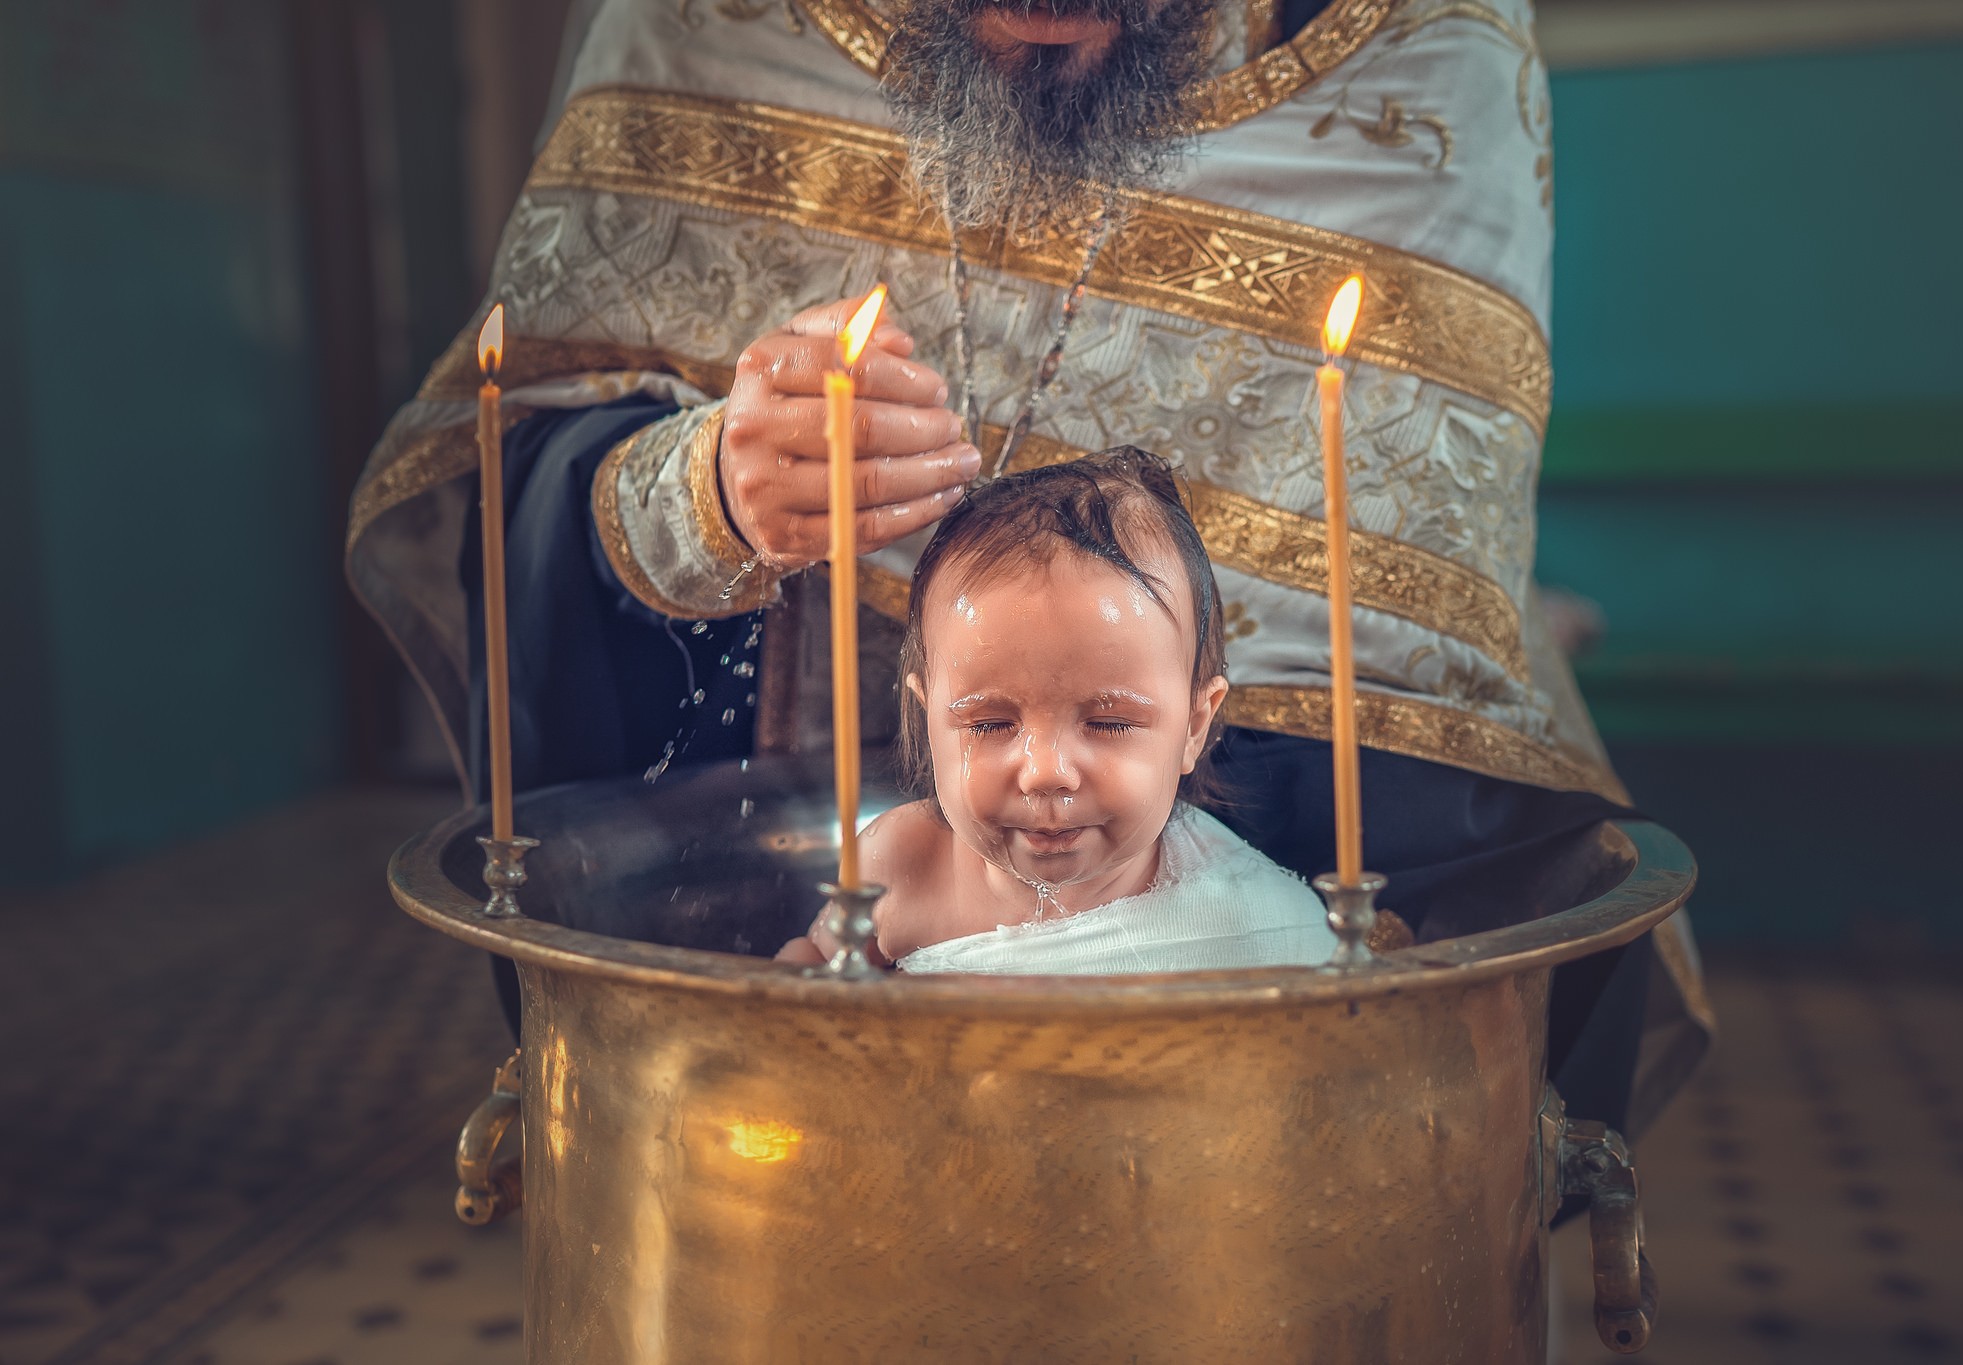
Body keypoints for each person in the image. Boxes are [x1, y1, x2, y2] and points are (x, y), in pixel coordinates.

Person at [347, 0, 1709, 1137]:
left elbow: (1413, 631)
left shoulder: (1422, 47)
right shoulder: (712, 27)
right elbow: (524, 472)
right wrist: (705, 491)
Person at [777, 448, 1334, 973]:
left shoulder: (1248, 928)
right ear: (930, 719)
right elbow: (810, 988)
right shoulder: (899, 863)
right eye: (989, 724)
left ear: (1193, 725)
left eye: (1109, 722)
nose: (1045, 771)